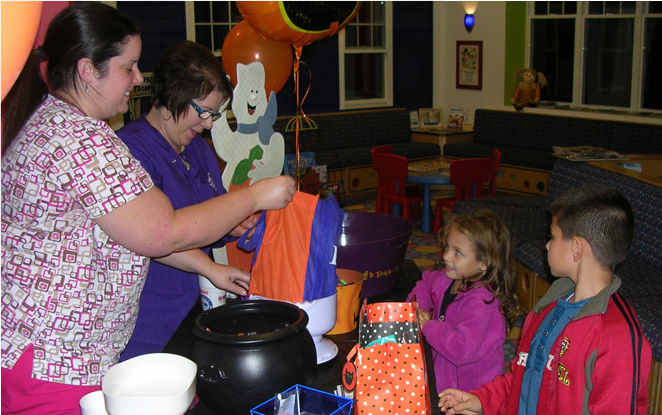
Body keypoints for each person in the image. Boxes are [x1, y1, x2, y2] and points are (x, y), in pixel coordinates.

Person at [0, 3, 295, 414]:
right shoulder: (81, 141)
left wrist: (213, 261)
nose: (139, 79)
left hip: (53, 355)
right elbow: (163, 230)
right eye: (128, 67)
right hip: (56, 361)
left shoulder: (63, 126)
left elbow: (138, 230)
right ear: (88, 71)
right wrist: (254, 195)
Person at [439, 185, 652, 415]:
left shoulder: (617, 337)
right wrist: (482, 400)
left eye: (553, 237)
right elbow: (523, 376)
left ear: (577, 249)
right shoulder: (550, 307)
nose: (547, 245)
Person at [115, 41, 252, 361]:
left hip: (191, 308)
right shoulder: (129, 152)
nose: (209, 124)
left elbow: (211, 218)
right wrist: (210, 266)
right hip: (145, 317)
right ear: (170, 97)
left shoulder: (199, 150)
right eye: (204, 111)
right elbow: (156, 235)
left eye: (215, 114)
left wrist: (234, 223)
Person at [406, 209, 519, 393]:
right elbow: (426, 284)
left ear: (484, 262)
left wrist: (428, 326)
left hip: (469, 392)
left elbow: (461, 349)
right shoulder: (449, 277)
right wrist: (418, 307)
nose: (446, 256)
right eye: (447, 247)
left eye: (458, 252)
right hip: (444, 378)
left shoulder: (483, 302)